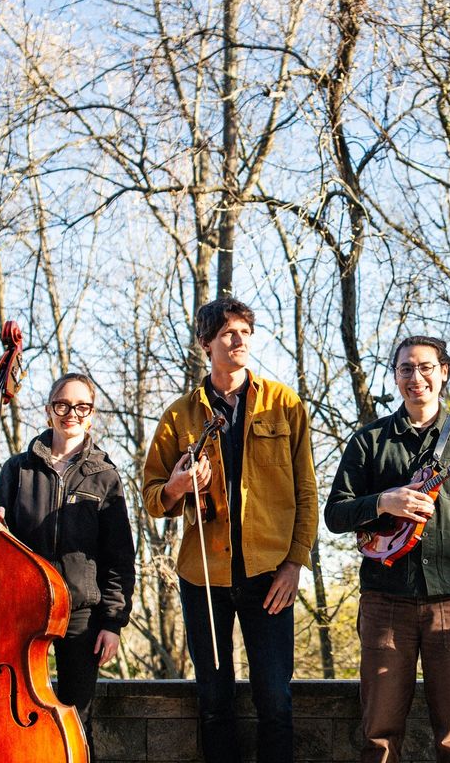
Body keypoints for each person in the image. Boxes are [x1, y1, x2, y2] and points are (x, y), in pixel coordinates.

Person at [142, 297, 317, 763]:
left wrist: (294, 564)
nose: (239, 341)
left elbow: (307, 492)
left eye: (245, 332)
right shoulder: (180, 415)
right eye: (227, 333)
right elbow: (152, 496)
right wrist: (178, 485)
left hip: (270, 575)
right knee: (215, 702)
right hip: (203, 576)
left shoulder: (285, 404)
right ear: (206, 344)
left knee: (275, 701)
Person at [324, 335, 450, 763]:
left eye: (426, 367)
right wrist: (383, 501)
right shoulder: (368, 441)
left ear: (444, 372)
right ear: (395, 377)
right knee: (379, 735)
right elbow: (335, 514)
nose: (416, 377)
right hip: (385, 602)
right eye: (405, 368)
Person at [0, 372, 136, 760]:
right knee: (15, 709)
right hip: (23, 610)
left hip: (80, 615)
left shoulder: (104, 476)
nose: (71, 413)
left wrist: (112, 623)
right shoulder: (17, 470)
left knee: (76, 717)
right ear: (48, 411)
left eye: (81, 407)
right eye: (62, 405)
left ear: (91, 415)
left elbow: (119, 557)